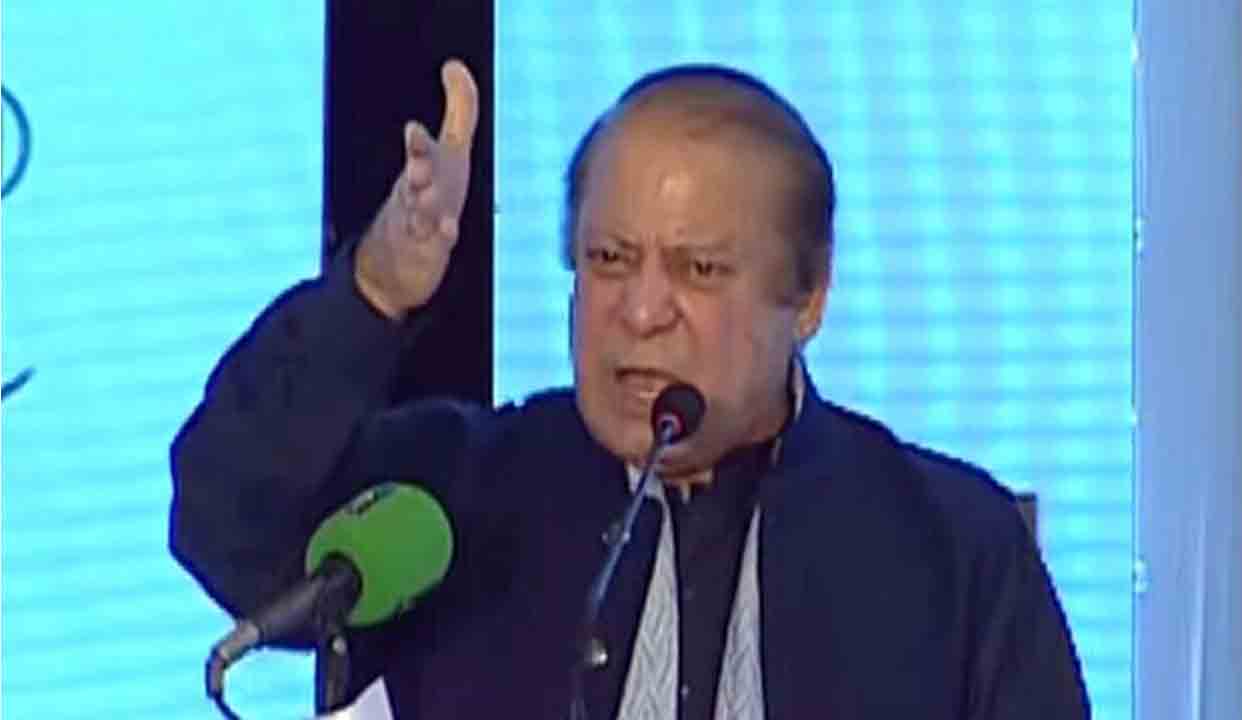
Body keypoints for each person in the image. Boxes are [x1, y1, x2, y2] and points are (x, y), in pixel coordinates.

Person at [169, 59, 1090, 719]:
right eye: (608, 259)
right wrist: (371, 294)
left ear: (808, 298)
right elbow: (225, 523)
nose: (641, 311)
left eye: (698, 269)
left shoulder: (948, 548)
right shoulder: (454, 497)